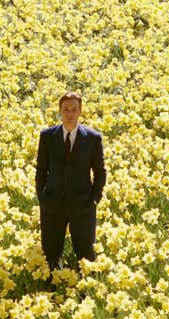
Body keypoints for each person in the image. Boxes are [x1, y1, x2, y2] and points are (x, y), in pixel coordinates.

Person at [35, 91, 106, 281]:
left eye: (74, 109)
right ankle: (51, 294)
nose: (69, 113)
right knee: (50, 255)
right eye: (66, 109)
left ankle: (87, 294)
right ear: (59, 111)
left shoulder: (93, 138)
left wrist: (93, 201)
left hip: (82, 206)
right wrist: (43, 199)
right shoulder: (47, 136)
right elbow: (41, 171)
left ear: (80, 111)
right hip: (52, 205)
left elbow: (100, 172)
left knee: (86, 256)